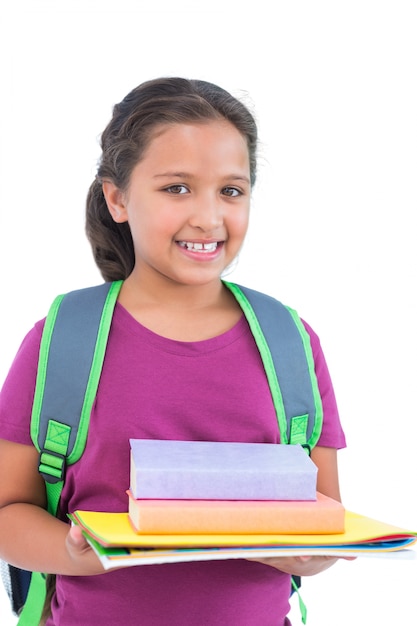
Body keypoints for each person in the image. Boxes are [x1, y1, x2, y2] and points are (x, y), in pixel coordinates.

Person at [0, 77, 348, 625]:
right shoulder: (60, 342)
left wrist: (305, 551)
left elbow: (326, 518)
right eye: (177, 188)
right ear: (117, 198)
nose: (209, 218)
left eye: (231, 191)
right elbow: (7, 512)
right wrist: (73, 553)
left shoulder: (291, 343)